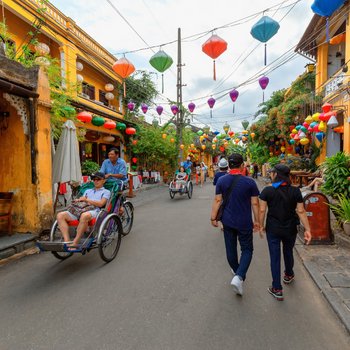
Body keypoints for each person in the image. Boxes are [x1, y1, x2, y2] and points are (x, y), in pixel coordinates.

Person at [259, 164, 312, 301]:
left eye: (272, 173)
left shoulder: (267, 191)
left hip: (273, 229)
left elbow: (262, 210)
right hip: (290, 229)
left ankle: (276, 288)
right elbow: (300, 211)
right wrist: (307, 229)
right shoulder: (295, 191)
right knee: (288, 252)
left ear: (276, 175)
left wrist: (260, 225)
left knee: (275, 257)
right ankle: (288, 275)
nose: (270, 174)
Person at [211, 153, 260, 296]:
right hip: (244, 222)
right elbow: (255, 203)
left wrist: (213, 218)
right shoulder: (250, 182)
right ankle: (239, 276)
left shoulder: (222, 181)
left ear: (228, 166)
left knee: (230, 248)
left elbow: (217, 201)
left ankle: (236, 271)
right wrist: (257, 221)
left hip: (227, 221)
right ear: (242, 165)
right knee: (247, 249)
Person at [56, 172, 111, 249]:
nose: (96, 181)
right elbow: (82, 200)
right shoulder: (88, 191)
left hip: (94, 210)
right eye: (94, 179)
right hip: (81, 209)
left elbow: (101, 204)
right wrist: (78, 200)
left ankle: (75, 241)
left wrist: (87, 200)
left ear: (103, 181)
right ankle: (67, 240)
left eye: (98, 179)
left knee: (84, 215)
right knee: (60, 215)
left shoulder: (106, 192)